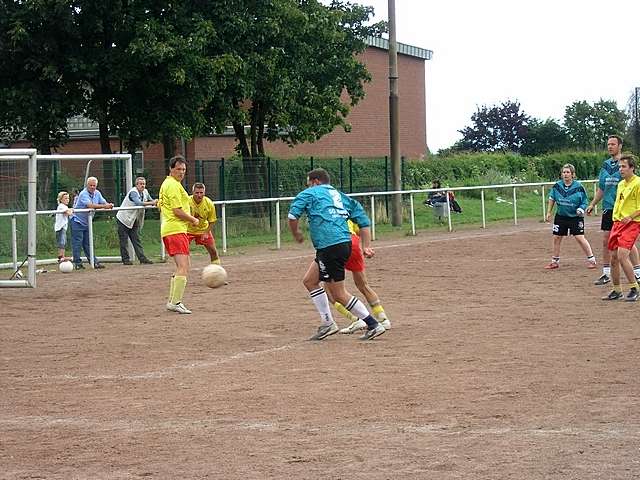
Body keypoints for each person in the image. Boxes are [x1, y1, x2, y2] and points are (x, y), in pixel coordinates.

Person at [289, 168, 385, 341]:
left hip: (330, 246)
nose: (308, 186)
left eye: (308, 183)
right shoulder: (340, 195)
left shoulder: (309, 194)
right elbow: (363, 220)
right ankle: (328, 324)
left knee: (338, 293)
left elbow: (292, 216)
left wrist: (296, 233)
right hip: (341, 244)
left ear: (315, 181)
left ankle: (373, 324)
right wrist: (366, 246)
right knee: (310, 281)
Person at [586, 135, 640, 285]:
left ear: (620, 146)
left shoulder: (627, 163)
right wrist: (592, 203)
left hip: (626, 213)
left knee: (626, 245)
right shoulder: (606, 165)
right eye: (608, 144)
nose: (610, 147)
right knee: (607, 241)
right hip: (609, 208)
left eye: (613, 144)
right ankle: (606, 273)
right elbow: (603, 188)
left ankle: (637, 272)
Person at [331, 219, 392, 334]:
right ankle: (383, 318)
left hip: (336, 244)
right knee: (363, 285)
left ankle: (356, 319)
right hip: (353, 245)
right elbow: (359, 230)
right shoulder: (347, 211)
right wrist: (366, 246)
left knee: (329, 289)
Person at [159, 156, 199, 314]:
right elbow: (176, 210)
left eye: (183, 169)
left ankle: (172, 300)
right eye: (178, 169)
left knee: (181, 266)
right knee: (184, 266)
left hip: (171, 229)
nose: (181, 172)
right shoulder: (172, 185)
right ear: (171, 169)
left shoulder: (167, 184)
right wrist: (193, 219)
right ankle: (175, 302)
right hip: (175, 229)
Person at [601, 154, 640, 302]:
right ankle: (616, 290)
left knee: (623, 255)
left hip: (631, 224)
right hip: (618, 223)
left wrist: (630, 216)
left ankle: (634, 287)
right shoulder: (621, 184)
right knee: (614, 259)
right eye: (619, 167)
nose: (620, 169)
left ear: (632, 168)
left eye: (623, 166)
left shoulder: (638, 183)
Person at [544, 164, 596, 270]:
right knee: (557, 237)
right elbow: (552, 198)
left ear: (573, 174)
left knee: (579, 238)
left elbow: (584, 201)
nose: (565, 174)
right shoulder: (557, 186)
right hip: (561, 216)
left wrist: (581, 209)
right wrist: (549, 212)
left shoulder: (579, 187)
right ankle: (555, 261)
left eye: (568, 172)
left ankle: (592, 260)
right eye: (564, 172)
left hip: (575, 217)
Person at [70, 176, 113, 269]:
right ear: (87, 185)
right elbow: (90, 205)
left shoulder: (97, 193)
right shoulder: (83, 194)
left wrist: (108, 205)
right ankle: (77, 263)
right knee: (77, 242)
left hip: (87, 222)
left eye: (94, 185)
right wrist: (104, 207)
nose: (93, 187)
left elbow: (104, 202)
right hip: (77, 221)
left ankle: (94, 262)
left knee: (88, 243)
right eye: (91, 185)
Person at [115, 177, 157, 265]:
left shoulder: (145, 192)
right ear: (136, 185)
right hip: (123, 219)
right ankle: (126, 260)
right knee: (123, 241)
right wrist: (152, 203)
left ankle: (142, 258)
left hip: (133, 219)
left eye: (144, 184)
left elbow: (151, 200)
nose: (143, 186)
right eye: (141, 184)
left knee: (136, 239)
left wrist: (155, 202)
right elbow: (138, 203)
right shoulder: (133, 192)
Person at [187, 182, 221, 264]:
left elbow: (212, 221)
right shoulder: (186, 201)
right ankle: (179, 272)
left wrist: (206, 232)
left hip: (203, 229)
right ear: (193, 193)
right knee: (182, 254)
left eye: (201, 193)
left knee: (213, 252)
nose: (199, 195)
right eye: (197, 193)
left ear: (204, 193)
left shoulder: (209, 203)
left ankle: (216, 270)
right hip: (187, 230)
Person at [54, 191, 74, 262]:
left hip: (63, 227)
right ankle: (61, 256)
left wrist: (70, 209)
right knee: (61, 242)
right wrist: (71, 210)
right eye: (65, 198)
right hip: (60, 227)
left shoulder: (65, 207)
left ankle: (62, 256)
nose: (67, 200)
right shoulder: (61, 206)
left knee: (63, 241)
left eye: (68, 198)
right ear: (61, 200)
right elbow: (69, 213)